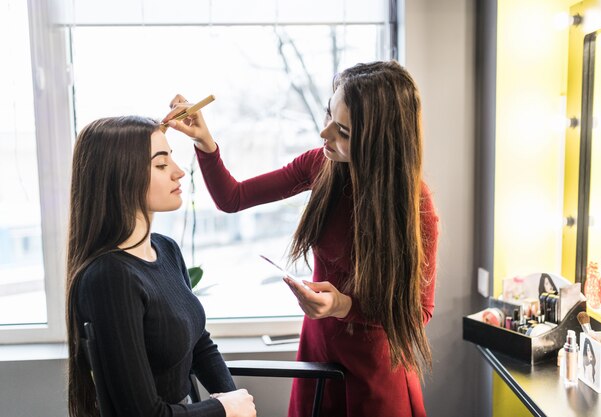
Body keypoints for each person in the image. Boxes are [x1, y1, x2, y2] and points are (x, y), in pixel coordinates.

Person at [163, 60, 439, 417]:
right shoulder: (320, 166)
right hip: (318, 351)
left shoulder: (415, 207)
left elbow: (419, 311)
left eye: (344, 132)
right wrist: (205, 141)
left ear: (380, 143)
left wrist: (345, 306)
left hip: (375, 371)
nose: (325, 134)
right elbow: (232, 198)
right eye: (328, 116)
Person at [65, 116, 256, 417]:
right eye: (161, 165)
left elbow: (198, 342)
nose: (179, 173)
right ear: (121, 176)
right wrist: (223, 410)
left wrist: (233, 398)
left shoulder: (165, 249)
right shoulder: (110, 279)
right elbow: (143, 414)